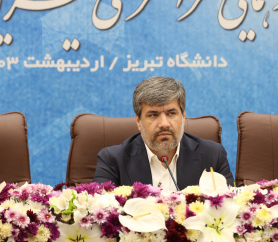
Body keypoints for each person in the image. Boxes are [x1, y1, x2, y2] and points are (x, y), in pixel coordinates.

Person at [93, 76, 234, 190]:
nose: (164, 124)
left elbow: (228, 207)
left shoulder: (213, 156)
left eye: (171, 113)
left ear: (183, 117)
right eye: (153, 115)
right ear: (138, 121)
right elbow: (104, 212)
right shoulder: (112, 160)